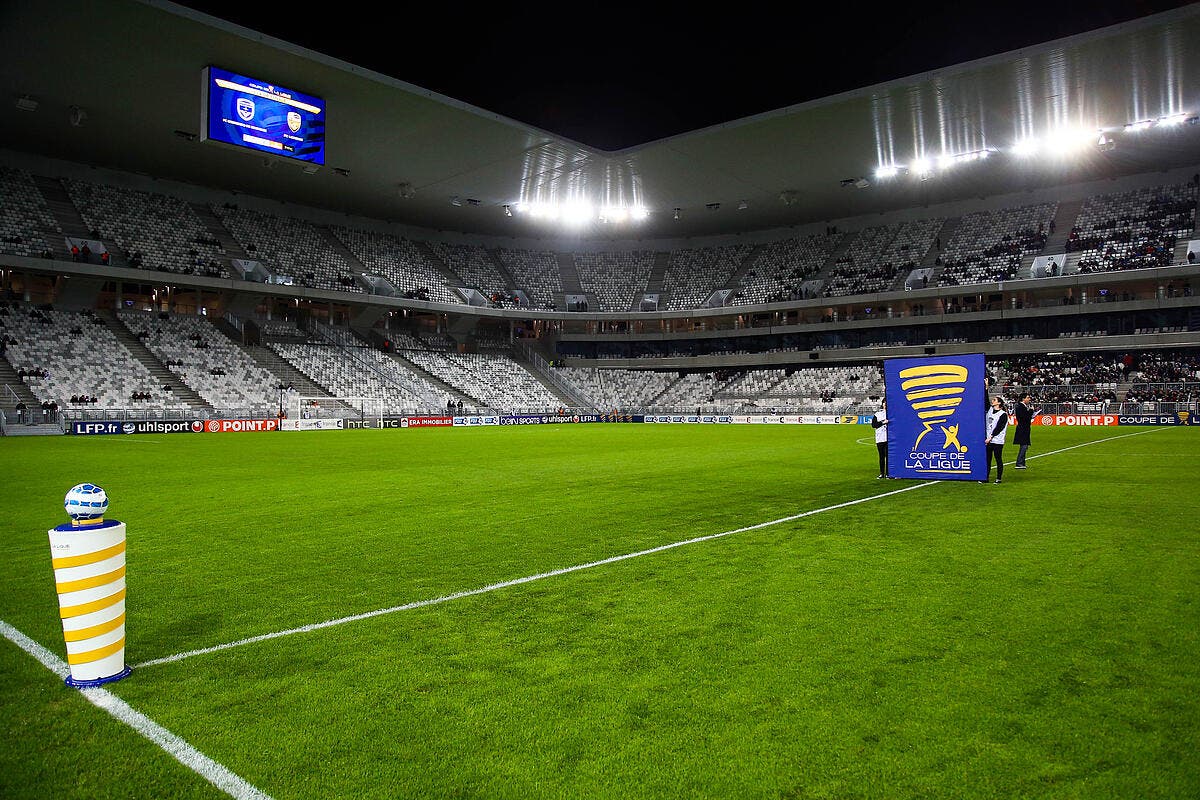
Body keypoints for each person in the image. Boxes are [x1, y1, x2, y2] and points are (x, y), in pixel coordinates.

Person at [982, 396, 1009, 484]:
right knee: (987, 459)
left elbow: (999, 428)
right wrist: (986, 388)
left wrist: (990, 437)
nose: (992, 401)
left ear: (999, 403)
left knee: (998, 459)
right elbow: (985, 400)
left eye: (995, 400)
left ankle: (998, 478)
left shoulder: (1003, 414)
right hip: (988, 440)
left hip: (997, 440)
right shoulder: (990, 410)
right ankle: (986, 477)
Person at [1012, 392, 1041, 469]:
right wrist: (1031, 411)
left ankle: (1022, 463)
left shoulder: (1022, 406)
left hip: (1024, 428)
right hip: (1023, 429)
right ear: (1023, 399)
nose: (1029, 399)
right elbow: (1024, 417)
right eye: (1028, 398)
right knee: (1024, 445)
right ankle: (1019, 463)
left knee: (1025, 445)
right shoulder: (1020, 406)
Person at [871, 397, 890, 479]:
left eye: (886, 402)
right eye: (884, 402)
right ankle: (882, 473)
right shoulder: (877, 414)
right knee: (881, 457)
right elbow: (873, 425)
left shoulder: (891, 413)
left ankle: (889, 473)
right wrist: (883, 422)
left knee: (888, 456)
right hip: (879, 438)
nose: (885, 404)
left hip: (888, 438)